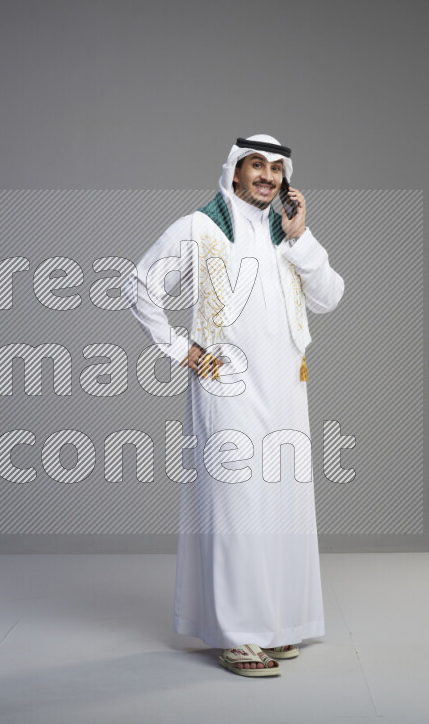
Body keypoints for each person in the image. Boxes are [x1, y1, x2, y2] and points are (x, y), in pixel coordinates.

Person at [124, 134, 345, 677]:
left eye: (276, 168)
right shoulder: (199, 227)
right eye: (256, 166)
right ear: (234, 171)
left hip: (288, 387)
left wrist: (300, 236)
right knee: (236, 505)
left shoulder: (287, 235)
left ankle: (277, 625)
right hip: (226, 386)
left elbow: (331, 296)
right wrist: (181, 348)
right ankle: (239, 635)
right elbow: (138, 284)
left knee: (284, 505)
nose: (267, 177)